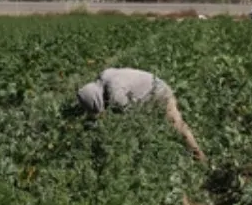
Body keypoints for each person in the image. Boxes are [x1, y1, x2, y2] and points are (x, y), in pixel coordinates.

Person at [76, 67, 206, 162]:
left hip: (159, 93)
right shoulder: (103, 76)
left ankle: (199, 156)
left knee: (177, 125)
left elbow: (130, 121)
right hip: (146, 94)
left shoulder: (116, 95)